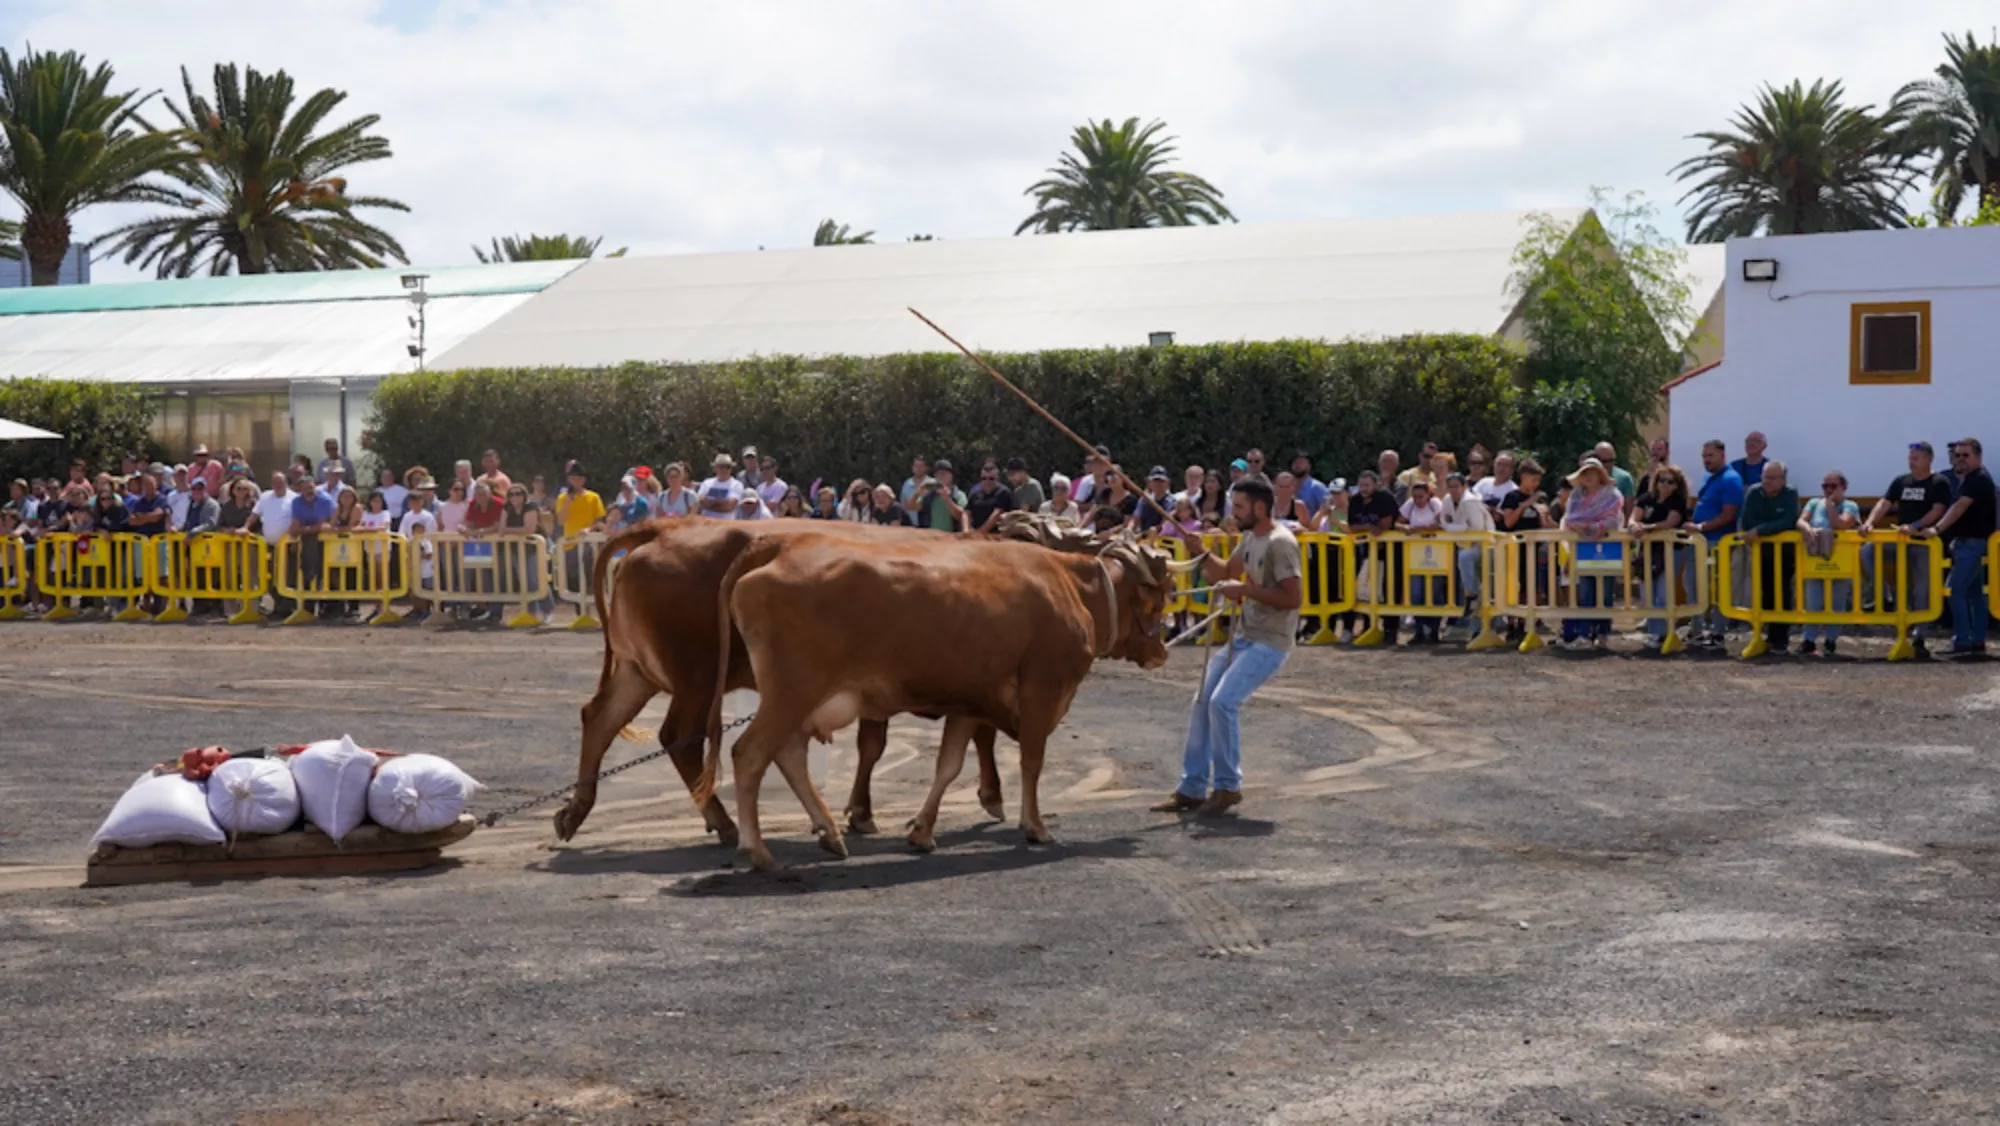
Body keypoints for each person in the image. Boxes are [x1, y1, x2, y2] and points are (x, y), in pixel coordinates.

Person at [1152, 478, 1301, 819]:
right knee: (1203, 700)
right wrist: (1200, 552)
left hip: (1270, 640)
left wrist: (1245, 592)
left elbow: (1293, 598)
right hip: (1246, 636)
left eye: (1239, 507)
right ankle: (1192, 787)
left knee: (1222, 702)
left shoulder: (1281, 543)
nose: (1232, 515)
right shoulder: (1250, 538)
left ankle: (1227, 786)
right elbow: (1224, 572)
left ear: (1259, 508)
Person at [1860, 441, 1951, 657]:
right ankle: (1885, 594)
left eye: (1916, 458)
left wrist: (1916, 526)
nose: (1911, 462)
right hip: (1899, 539)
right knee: (1867, 551)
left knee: (1922, 590)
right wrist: (1870, 522)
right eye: (1910, 457)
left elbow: (1938, 509)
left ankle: (1920, 636)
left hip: (1923, 542)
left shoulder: (1939, 482)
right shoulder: (1901, 481)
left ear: (1929, 459)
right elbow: (1884, 502)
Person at [1931, 438, 1996, 657]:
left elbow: (1959, 508)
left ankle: (1963, 640)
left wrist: (1936, 529)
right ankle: (1976, 641)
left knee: (1954, 591)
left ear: (1978, 456)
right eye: (1957, 455)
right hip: (1969, 543)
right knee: (1975, 594)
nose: (1960, 459)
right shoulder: (1973, 478)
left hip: (1973, 545)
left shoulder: (1976, 480)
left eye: (1966, 455)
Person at [1557, 458, 1624, 649]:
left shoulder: (1612, 495)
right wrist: (1579, 527)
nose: (1588, 477)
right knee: (1586, 592)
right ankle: (1585, 634)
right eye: (1584, 473)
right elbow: (1569, 519)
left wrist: (1590, 527)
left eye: (1592, 472)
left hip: (1608, 548)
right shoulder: (1576, 496)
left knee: (1605, 593)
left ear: (1600, 475)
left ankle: (1602, 633)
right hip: (1583, 549)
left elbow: (1613, 520)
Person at [1738, 460, 1801, 654]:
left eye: (1773, 478)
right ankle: (1766, 636)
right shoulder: (1754, 493)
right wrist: (1764, 529)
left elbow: (1789, 520)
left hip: (1785, 553)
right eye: (1765, 477)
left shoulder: (1790, 493)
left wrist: (1762, 529)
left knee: (1782, 592)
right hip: (1761, 552)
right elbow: (1747, 521)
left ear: (1783, 479)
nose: (1767, 481)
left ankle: (1781, 639)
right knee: (1765, 592)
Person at [1687, 440, 1745, 649]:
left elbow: (1728, 515)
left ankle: (1718, 633)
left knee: (1719, 588)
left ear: (1722, 455)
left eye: (1710, 456)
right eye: (1704, 456)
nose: (1706, 460)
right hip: (1701, 541)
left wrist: (1701, 526)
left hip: (1718, 542)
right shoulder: (1709, 478)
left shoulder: (1731, 479)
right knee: (1693, 585)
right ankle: (1697, 630)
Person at [1796, 472, 1859, 657]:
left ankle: (1831, 641)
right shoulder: (1814, 503)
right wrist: (1806, 528)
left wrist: (1831, 505)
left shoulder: (1850, 505)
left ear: (1843, 487)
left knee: (1837, 601)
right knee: (1813, 600)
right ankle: (1809, 640)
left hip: (1841, 561)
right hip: (1815, 559)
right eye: (1825, 486)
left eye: (1833, 486)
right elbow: (1801, 520)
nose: (1828, 490)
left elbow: (1840, 524)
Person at [1628, 464, 1691, 649]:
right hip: (1647, 551)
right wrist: (1633, 526)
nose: (1665, 484)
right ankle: (1654, 632)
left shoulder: (1677, 501)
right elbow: (1633, 517)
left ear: (1677, 485)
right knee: (1647, 592)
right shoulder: (1647, 498)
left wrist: (1646, 528)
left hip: (1670, 551)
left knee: (1663, 594)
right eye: (1661, 480)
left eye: (1670, 481)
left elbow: (1672, 522)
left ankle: (1662, 634)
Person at [1342, 470, 1400, 643]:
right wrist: (1368, 527)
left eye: (1367, 485)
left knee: (1390, 589)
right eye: (1361, 485)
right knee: (1366, 589)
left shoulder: (1385, 498)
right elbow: (1353, 527)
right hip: (1365, 551)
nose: (1364, 489)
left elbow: (1385, 525)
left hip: (1390, 551)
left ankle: (1390, 630)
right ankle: (1368, 626)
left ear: (1376, 484)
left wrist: (1368, 528)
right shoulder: (1355, 500)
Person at [1439, 471, 1494, 631]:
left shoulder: (1470, 501)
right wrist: (1460, 526)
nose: (1453, 490)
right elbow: (1444, 522)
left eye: (1457, 486)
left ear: (1464, 486)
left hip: (1483, 546)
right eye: (1450, 487)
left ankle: (1472, 595)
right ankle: (1475, 627)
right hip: (1464, 545)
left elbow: (1476, 529)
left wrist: (1454, 526)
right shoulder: (1447, 500)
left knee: (1465, 559)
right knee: (1465, 566)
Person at [1399, 478, 1447, 643]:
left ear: (1428, 495)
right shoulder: (1410, 504)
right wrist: (1404, 527)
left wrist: (1417, 529)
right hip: (1415, 555)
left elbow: (1441, 524)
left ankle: (1433, 629)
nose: (1418, 500)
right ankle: (1419, 629)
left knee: (1435, 592)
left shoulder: (1435, 504)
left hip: (1437, 554)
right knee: (1416, 592)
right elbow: (1397, 522)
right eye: (1415, 496)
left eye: (1421, 496)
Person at [247, 471, 295, 617]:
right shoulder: (265, 496)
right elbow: (255, 515)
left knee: (286, 577)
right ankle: (278, 606)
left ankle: (287, 608)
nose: (278, 485)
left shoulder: (294, 498)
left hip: (286, 545)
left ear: (285, 482)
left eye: (280, 482)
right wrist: (245, 527)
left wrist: (294, 539)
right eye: (275, 482)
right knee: (269, 578)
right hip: (268, 545)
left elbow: (297, 520)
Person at [288, 476, 336, 619]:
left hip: (326, 541)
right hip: (308, 542)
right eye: (305, 489)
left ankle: (326, 608)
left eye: (310, 488)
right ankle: (308, 608)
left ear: (315, 486)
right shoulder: (297, 501)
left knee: (324, 572)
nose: (308, 491)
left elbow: (322, 526)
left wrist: (303, 530)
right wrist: (304, 531)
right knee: (306, 572)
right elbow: (296, 525)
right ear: (300, 490)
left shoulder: (324, 500)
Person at [399, 478, 441, 622]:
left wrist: (428, 551)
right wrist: (407, 549)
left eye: (418, 501)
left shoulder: (428, 516)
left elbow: (431, 534)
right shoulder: (407, 516)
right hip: (411, 552)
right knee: (413, 582)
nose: (415, 504)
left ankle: (426, 609)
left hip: (425, 552)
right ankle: (416, 608)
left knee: (426, 581)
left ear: (422, 502)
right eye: (412, 501)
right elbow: (402, 533)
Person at [907, 459, 966, 532]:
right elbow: (910, 507)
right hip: (931, 538)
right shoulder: (929, 496)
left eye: (944, 473)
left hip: (952, 539)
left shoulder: (958, 495)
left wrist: (947, 498)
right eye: (938, 474)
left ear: (951, 475)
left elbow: (960, 515)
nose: (941, 476)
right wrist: (917, 493)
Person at [964, 459, 1016, 534]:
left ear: (997, 479)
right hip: (976, 536)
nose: (987, 481)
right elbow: (966, 512)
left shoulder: (1003, 493)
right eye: (984, 478)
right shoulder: (975, 493)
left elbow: (996, 515)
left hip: (997, 537)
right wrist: (966, 530)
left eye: (991, 479)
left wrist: (979, 533)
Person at [1593, 441, 1637, 514]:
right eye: (1603, 461)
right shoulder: (1587, 478)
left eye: (1611, 460)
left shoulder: (1624, 478)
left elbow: (1629, 510)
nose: (1608, 464)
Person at [697, 453, 747, 519]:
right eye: (721, 466)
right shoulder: (707, 483)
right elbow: (700, 501)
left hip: (727, 525)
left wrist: (710, 503)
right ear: (715, 468)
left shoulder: (737, 485)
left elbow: (729, 506)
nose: (724, 470)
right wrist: (721, 502)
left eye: (728, 467)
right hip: (707, 524)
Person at [1132, 467, 1174, 534]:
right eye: (1155, 480)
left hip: (1161, 537)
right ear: (1149, 482)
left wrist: (1147, 533)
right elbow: (1135, 519)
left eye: (1161, 481)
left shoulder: (1171, 502)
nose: (1158, 483)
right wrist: (1129, 530)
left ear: (1167, 483)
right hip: (1142, 536)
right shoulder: (1144, 500)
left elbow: (1165, 524)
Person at [1288, 452, 1328, 523]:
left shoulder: (1317, 487)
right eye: (1295, 462)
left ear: (1309, 466)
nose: (1297, 465)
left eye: (1301, 462)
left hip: (1309, 531)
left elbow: (1326, 510)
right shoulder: (1285, 486)